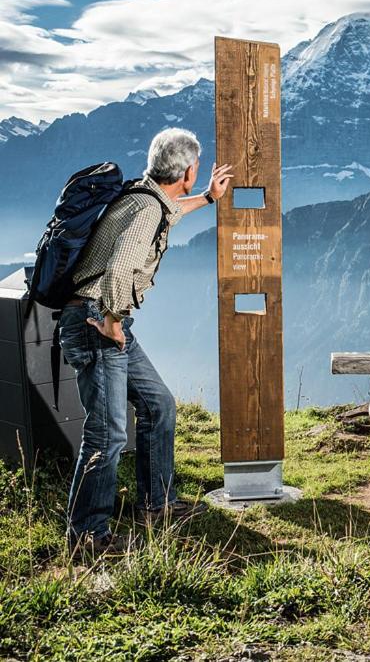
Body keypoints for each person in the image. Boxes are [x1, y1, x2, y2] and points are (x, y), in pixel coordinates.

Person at [60, 128, 233, 557]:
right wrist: (115, 322)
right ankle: (87, 537)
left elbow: (168, 211)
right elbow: (120, 269)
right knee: (107, 433)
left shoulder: (145, 195)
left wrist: (209, 198)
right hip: (97, 321)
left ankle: (158, 505)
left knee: (158, 405)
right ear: (188, 170)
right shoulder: (145, 211)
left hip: (101, 317)